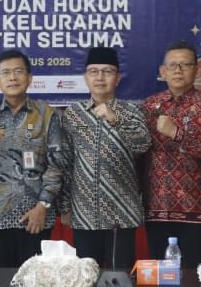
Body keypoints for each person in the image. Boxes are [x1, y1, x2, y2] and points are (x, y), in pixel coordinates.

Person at [0, 50, 65, 268]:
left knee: (35, 283)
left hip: (36, 218)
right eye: (6, 73)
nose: (13, 78)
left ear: (30, 78)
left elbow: (57, 165)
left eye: (18, 71)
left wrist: (43, 206)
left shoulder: (47, 115)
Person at [58, 47, 151, 269]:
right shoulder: (72, 114)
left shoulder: (132, 112)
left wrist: (115, 118)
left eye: (107, 71)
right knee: (86, 278)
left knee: (120, 279)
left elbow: (143, 144)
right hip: (84, 213)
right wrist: (64, 206)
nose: (100, 77)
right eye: (94, 71)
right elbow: (65, 162)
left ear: (117, 78)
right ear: (86, 78)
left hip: (122, 212)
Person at [141, 41, 201, 271]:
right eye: (172, 65)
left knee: (199, 281)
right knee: (161, 281)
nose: (178, 70)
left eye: (185, 65)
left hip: (199, 211)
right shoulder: (149, 107)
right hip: (157, 209)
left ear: (196, 70)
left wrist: (177, 133)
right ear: (163, 71)